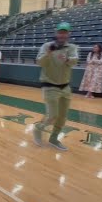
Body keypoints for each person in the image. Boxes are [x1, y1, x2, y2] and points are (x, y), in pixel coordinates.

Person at [33, 22, 79, 151]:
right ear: (56, 33)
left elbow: (75, 61)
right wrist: (48, 53)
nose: (62, 35)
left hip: (65, 87)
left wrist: (66, 59)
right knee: (52, 116)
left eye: (65, 32)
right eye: (60, 32)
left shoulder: (72, 47)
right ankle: (38, 129)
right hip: (50, 86)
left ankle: (54, 138)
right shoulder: (46, 46)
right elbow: (39, 62)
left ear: (68, 34)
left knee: (62, 117)